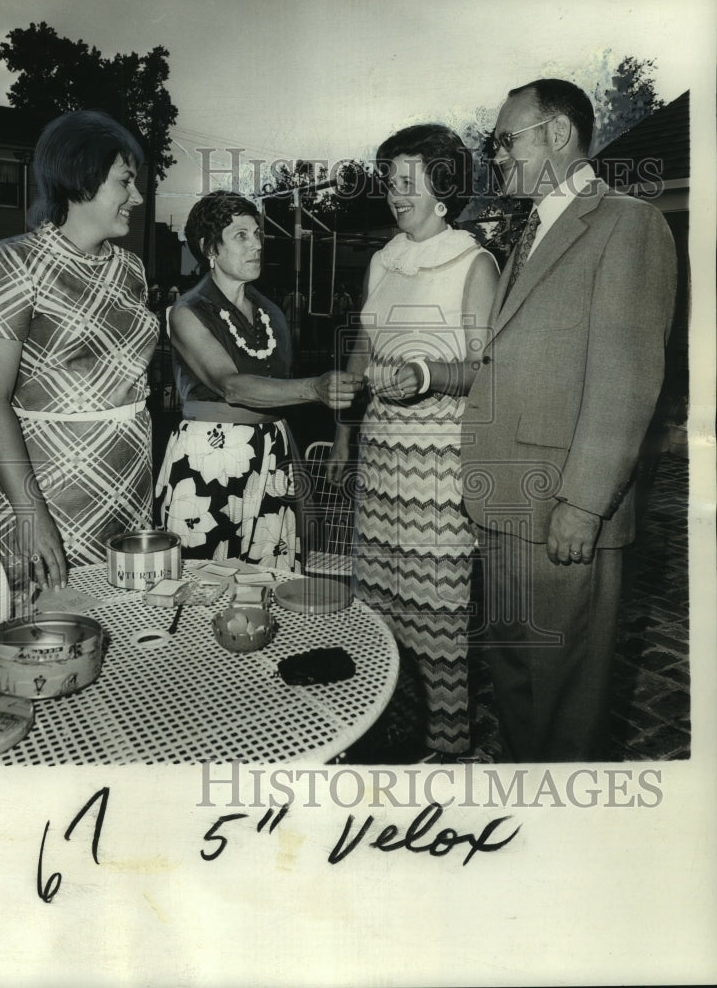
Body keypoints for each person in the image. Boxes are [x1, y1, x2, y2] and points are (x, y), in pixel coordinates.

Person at [461, 79, 677, 762]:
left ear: (558, 134)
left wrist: (584, 504)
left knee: (568, 699)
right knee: (517, 682)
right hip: (504, 502)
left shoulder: (628, 223)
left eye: (506, 139)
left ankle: (570, 842)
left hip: (560, 504)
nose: (497, 155)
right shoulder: (532, 229)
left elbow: (627, 379)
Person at [327, 123, 499, 759]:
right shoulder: (383, 258)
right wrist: (344, 429)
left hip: (440, 458)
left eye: (407, 182)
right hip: (379, 454)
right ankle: (385, 734)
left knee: (437, 610)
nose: (394, 195)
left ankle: (446, 747)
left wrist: (426, 375)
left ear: (443, 186)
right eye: (389, 182)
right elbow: (367, 344)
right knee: (376, 603)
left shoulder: (474, 262)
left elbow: (488, 369)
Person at [0, 110, 158, 605]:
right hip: (50, 495)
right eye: (125, 181)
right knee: (48, 637)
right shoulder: (9, 264)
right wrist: (32, 515)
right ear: (81, 178)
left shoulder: (131, 269)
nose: (137, 197)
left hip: (131, 484)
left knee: (125, 630)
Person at [155, 191, 362, 569]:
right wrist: (313, 388)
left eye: (257, 235)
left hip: (271, 456)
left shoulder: (270, 312)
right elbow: (230, 385)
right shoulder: (187, 311)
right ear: (208, 248)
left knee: (270, 580)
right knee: (205, 581)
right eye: (241, 236)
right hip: (210, 460)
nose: (256, 246)